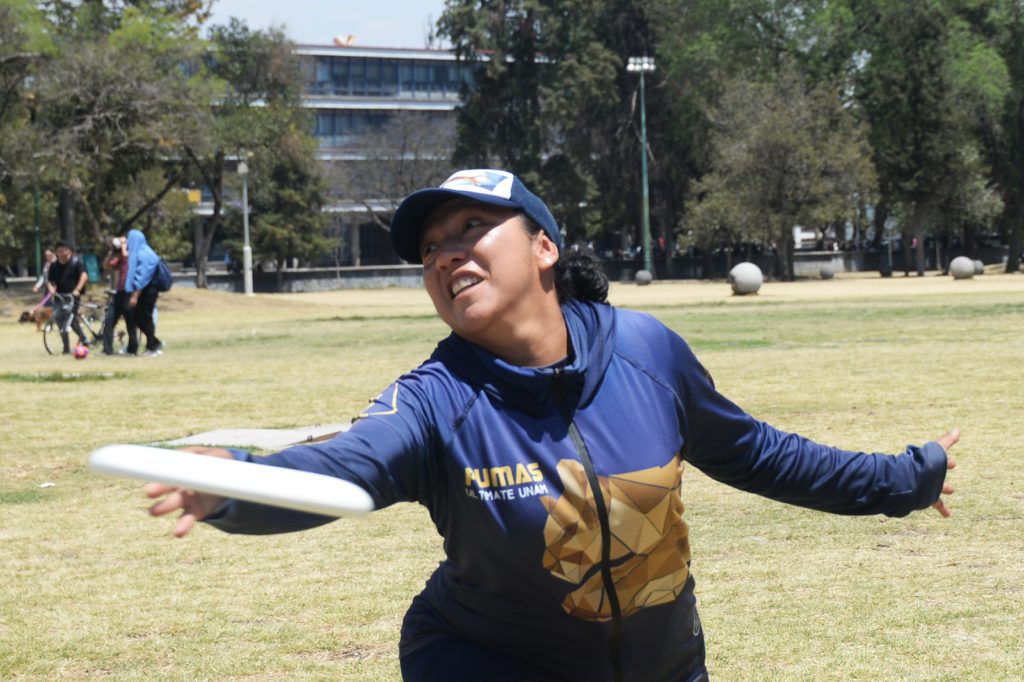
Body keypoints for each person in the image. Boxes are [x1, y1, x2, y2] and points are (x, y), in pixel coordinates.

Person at [146, 169, 958, 682]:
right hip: (484, 661)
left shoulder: (646, 352)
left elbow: (760, 455)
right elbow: (347, 467)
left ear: (542, 248)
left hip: (665, 665)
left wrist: (904, 480)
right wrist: (232, 483)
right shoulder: (435, 397)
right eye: (431, 246)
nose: (446, 254)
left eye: (470, 229)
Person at [124, 229, 164, 356]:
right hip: (141, 291)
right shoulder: (137, 253)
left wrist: (135, 295)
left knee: (145, 318)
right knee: (137, 317)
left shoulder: (145, 254)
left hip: (148, 291)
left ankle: (152, 346)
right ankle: (154, 342)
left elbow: (143, 278)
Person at [46, 241, 89, 354]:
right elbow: (50, 281)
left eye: (65, 250)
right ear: (56, 253)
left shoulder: (76, 263)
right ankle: (66, 347)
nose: (63, 253)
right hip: (59, 297)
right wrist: (51, 288)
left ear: (70, 251)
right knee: (60, 321)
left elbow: (84, 276)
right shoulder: (54, 266)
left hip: (73, 297)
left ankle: (84, 340)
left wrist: (77, 289)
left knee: (70, 320)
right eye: (60, 251)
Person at [102, 235, 139, 355]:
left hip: (129, 292)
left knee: (130, 322)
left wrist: (123, 244)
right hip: (119, 293)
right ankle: (107, 350)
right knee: (109, 321)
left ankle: (132, 349)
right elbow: (106, 265)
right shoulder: (119, 259)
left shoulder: (131, 256)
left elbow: (126, 255)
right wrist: (111, 252)